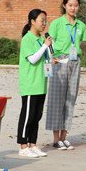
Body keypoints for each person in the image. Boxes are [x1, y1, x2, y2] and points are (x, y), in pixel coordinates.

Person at [46, 0, 86, 150]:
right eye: (70, 5)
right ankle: (56, 139)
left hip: (75, 61)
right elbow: (50, 44)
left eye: (76, 5)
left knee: (71, 98)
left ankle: (64, 136)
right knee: (57, 99)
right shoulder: (57, 23)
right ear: (64, 5)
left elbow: (79, 43)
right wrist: (51, 58)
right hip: (59, 61)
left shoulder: (81, 26)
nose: (73, 8)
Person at [17, 9, 54, 158]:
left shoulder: (41, 38)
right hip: (30, 84)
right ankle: (23, 145)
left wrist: (51, 53)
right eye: (41, 20)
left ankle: (33, 144)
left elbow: (45, 57)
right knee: (28, 116)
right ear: (32, 21)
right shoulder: (28, 39)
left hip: (41, 83)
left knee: (37, 116)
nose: (44, 23)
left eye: (45, 20)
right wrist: (45, 46)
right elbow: (32, 59)